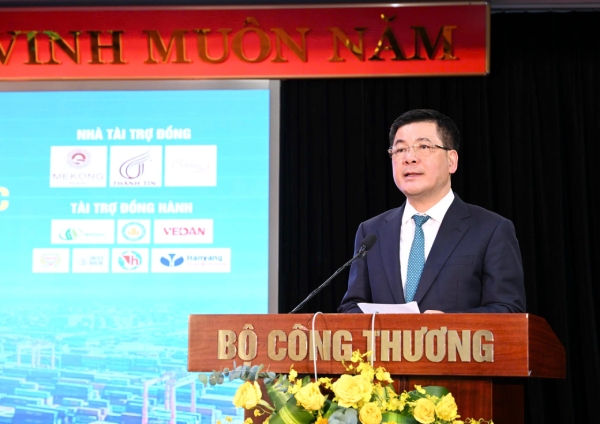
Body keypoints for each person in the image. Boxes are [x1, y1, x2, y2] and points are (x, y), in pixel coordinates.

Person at [338, 109, 526, 313]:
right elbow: (352, 307)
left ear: (451, 161)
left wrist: (447, 325)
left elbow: (508, 310)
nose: (409, 158)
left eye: (424, 146)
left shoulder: (491, 230)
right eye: (400, 149)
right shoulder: (371, 232)